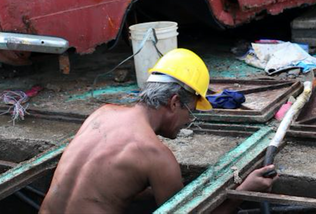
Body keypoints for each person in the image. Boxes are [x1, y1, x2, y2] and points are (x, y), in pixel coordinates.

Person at [40, 48, 277, 213]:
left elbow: (103, 187)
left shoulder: (101, 113)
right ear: (174, 102)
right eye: (190, 111)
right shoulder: (155, 155)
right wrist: (244, 190)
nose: (188, 121)